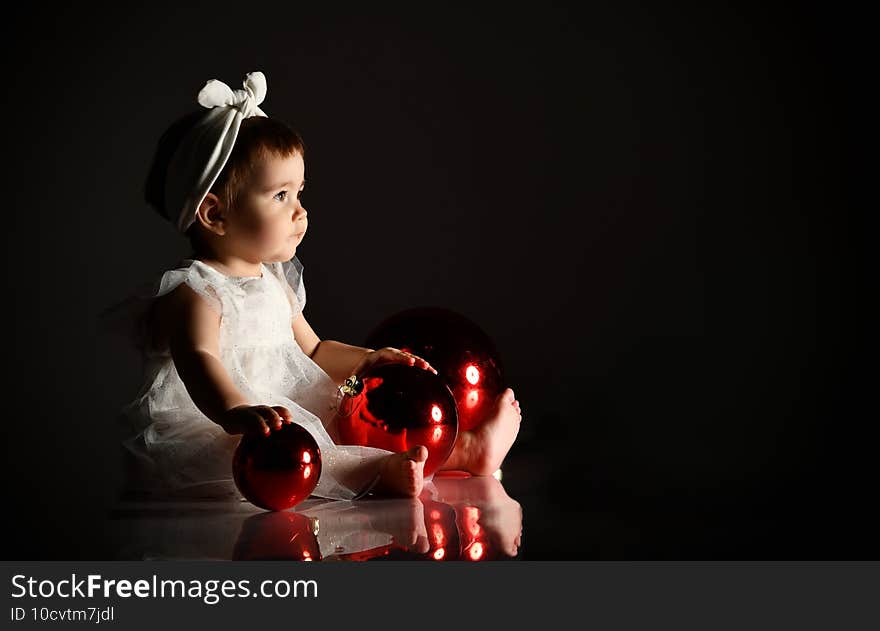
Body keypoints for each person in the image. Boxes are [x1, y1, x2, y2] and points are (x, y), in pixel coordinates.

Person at [103, 71, 522, 502]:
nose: (300, 211)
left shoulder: (272, 282)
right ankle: (383, 472)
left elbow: (315, 350)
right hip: (233, 422)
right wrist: (233, 410)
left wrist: (368, 360)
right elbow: (198, 358)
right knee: (301, 450)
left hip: (292, 404)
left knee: (355, 420)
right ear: (215, 215)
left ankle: (465, 449)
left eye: (299, 193)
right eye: (280, 196)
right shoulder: (197, 289)